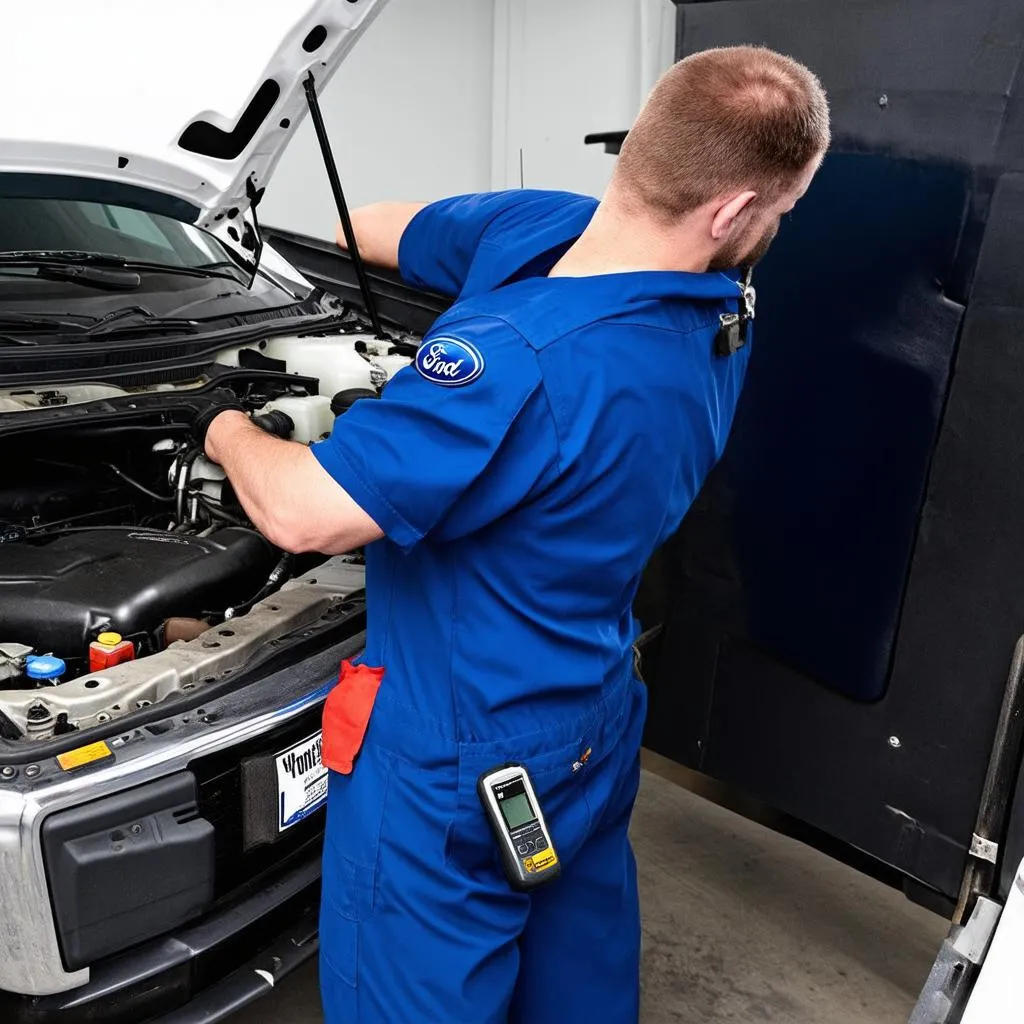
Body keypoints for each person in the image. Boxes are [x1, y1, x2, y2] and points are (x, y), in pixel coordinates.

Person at [198, 44, 830, 1024]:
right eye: (781, 211)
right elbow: (370, 236)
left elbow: (300, 510)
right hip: (589, 707)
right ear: (730, 212)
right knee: (578, 986)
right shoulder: (719, 319)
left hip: (449, 753)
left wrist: (219, 426)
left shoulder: (516, 343)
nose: (773, 231)